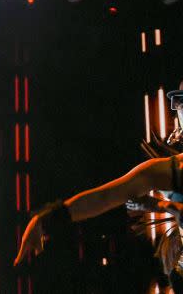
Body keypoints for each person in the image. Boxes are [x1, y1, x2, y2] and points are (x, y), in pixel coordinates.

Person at [16, 83, 183, 288]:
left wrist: (168, 208)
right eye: (181, 105)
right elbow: (104, 198)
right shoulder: (166, 171)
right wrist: (44, 219)